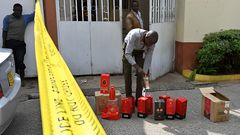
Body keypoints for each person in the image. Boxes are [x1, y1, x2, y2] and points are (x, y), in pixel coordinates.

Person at [123, 28, 158, 106]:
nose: (148, 46)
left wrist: (145, 72)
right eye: (148, 43)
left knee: (141, 75)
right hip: (129, 48)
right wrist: (137, 67)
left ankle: (139, 99)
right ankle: (129, 98)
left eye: (150, 45)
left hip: (140, 50)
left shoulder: (152, 43)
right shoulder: (134, 35)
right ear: (146, 37)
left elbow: (148, 58)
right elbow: (127, 54)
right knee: (127, 72)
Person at [2, 3, 35, 86]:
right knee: (12, 63)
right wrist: (4, 44)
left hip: (20, 43)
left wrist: (38, 3)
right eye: (17, 10)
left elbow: (35, 15)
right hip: (10, 43)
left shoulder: (25, 18)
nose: (18, 12)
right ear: (13, 10)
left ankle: (22, 78)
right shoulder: (7, 18)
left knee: (20, 60)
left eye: (20, 11)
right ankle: (15, 81)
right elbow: (4, 31)